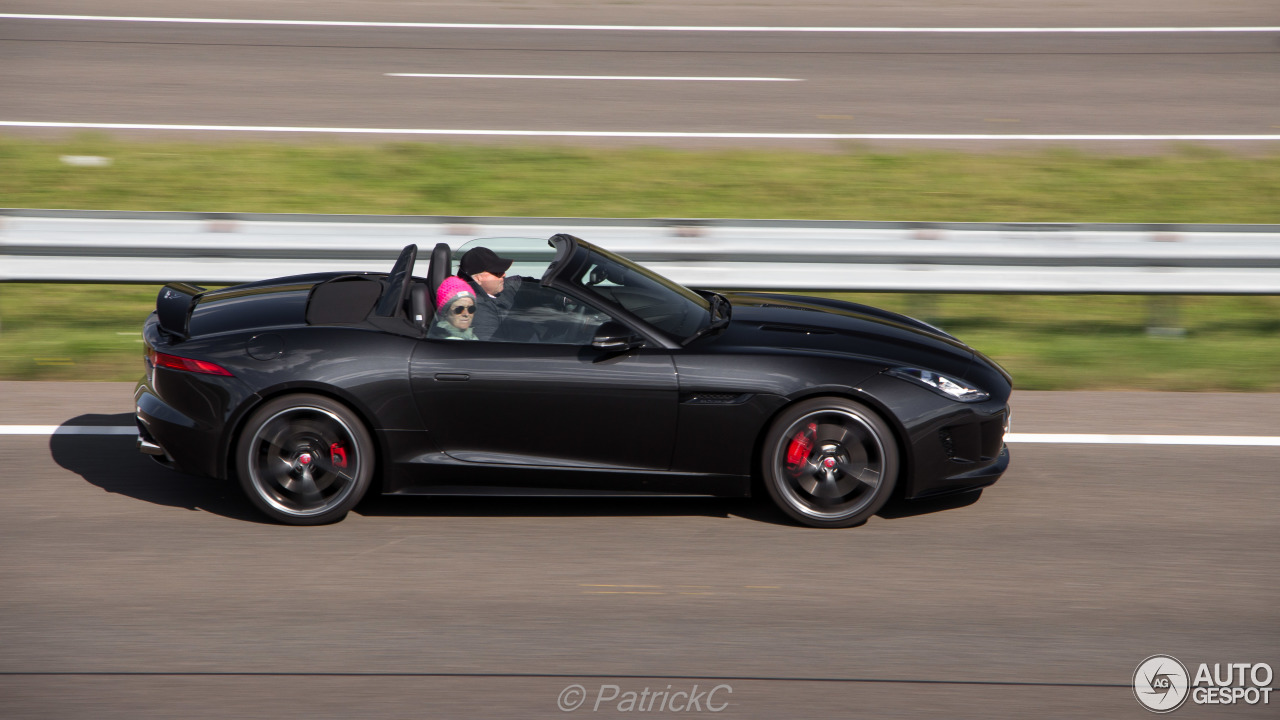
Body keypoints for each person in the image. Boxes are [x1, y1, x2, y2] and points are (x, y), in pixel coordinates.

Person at [457, 246, 528, 341]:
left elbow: (520, 282)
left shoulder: (498, 287)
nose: (504, 274)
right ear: (478, 279)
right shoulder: (478, 310)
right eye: (497, 272)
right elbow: (494, 349)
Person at [431, 276, 478, 340]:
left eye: (471, 309)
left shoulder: (472, 336)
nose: (466, 314)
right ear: (445, 313)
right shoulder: (442, 340)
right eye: (459, 309)